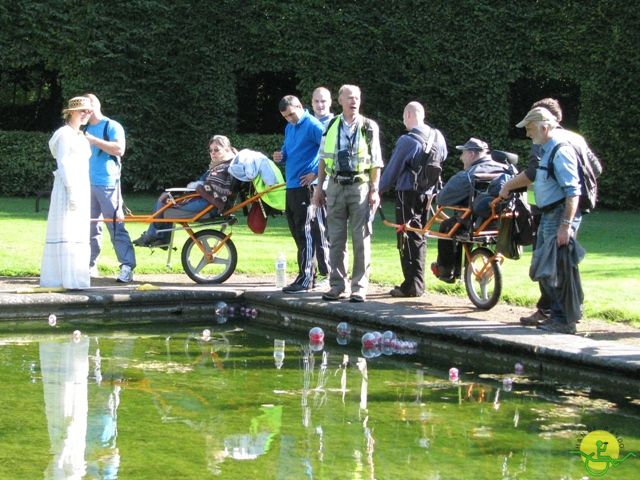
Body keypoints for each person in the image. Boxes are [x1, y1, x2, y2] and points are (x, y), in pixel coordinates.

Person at [500, 99, 590, 327]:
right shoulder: (552, 146)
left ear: (544, 126)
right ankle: (565, 314)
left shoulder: (559, 150)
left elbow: (573, 191)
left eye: (529, 129)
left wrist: (566, 225)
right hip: (551, 213)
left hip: (559, 214)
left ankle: (562, 320)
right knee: (551, 265)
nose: (528, 135)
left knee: (555, 267)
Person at [311, 84, 383, 303]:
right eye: (350, 98)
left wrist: (374, 189)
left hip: (360, 186)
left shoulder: (369, 126)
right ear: (340, 100)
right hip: (334, 186)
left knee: (361, 238)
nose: (354, 101)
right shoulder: (331, 125)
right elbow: (323, 159)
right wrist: (318, 189)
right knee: (335, 238)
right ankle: (336, 285)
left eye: (358, 98)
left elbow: (376, 161)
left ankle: (359, 287)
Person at [379, 101, 447, 297]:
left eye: (403, 117)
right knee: (420, 235)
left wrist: (378, 190)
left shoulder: (407, 141)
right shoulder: (438, 137)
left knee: (406, 236)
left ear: (409, 115)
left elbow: (392, 170)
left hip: (407, 193)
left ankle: (411, 285)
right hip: (429, 194)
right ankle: (418, 282)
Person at [431, 138, 514, 283]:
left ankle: (445, 271)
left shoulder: (468, 175)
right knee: (462, 220)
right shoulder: (506, 169)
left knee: (446, 227)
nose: (460, 157)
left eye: (462, 153)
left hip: (475, 222)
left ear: (471, 154)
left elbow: (442, 199)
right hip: (503, 221)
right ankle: (462, 269)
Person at [133, 135, 237, 247]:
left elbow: (211, 191)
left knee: (164, 203)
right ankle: (158, 236)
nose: (212, 153)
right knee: (166, 199)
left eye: (216, 150)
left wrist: (197, 187)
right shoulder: (225, 166)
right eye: (211, 150)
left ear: (227, 149)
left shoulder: (221, 169)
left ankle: (155, 236)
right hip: (207, 205)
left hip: (207, 207)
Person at [273, 95, 328, 293]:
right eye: (286, 117)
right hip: (292, 186)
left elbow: (328, 151)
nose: (290, 119)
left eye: (292, 114)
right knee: (297, 232)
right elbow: (287, 152)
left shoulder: (313, 125)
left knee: (306, 232)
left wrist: (315, 174)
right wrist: (280, 156)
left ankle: (306, 279)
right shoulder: (289, 128)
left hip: (307, 188)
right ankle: (306, 275)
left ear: (300, 107)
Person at [40, 96, 93, 289]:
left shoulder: (81, 136)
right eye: (82, 111)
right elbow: (62, 162)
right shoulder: (64, 134)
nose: (86, 114)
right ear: (71, 112)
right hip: (67, 186)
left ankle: (77, 277)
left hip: (81, 184)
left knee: (78, 230)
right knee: (66, 227)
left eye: (88, 111)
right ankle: (61, 278)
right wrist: (71, 190)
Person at [84, 94, 136, 283]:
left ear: (94, 106)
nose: (82, 112)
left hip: (107, 183)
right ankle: (89, 266)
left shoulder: (111, 126)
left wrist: (93, 140)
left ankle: (127, 267)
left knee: (115, 226)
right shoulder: (85, 128)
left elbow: (119, 149)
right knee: (90, 228)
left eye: (85, 108)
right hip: (85, 184)